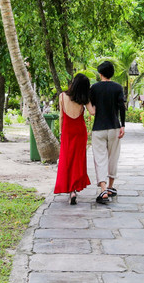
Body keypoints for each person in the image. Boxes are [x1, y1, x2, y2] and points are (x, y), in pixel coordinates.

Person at [53, 73, 94, 205]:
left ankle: (71, 191)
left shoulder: (62, 96)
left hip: (67, 131)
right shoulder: (84, 98)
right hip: (80, 131)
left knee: (67, 159)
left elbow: (61, 117)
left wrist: (60, 132)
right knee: (78, 160)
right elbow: (92, 112)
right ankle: (74, 190)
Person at [89, 60, 126, 204]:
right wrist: (123, 125)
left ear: (100, 74)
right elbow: (121, 107)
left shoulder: (94, 88)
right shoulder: (117, 87)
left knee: (100, 159)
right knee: (113, 157)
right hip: (114, 127)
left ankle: (103, 189)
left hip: (98, 128)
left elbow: (91, 107)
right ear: (112, 73)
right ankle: (110, 187)